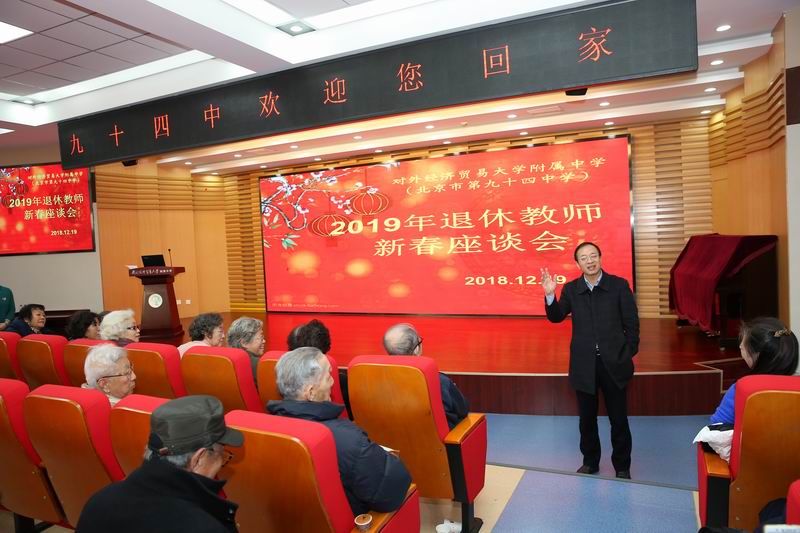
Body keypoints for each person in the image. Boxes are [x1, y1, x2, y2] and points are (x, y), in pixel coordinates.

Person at [268, 347, 411, 516]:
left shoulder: (267, 430)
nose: (333, 381)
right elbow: (393, 492)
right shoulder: (347, 440)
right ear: (311, 392)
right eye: (328, 375)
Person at [542, 241, 639, 479]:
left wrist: (626, 353)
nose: (590, 261)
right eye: (584, 258)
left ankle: (622, 466)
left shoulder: (619, 285)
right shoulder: (571, 289)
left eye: (593, 255)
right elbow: (556, 317)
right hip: (584, 365)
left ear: (600, 258)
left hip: (614, 363)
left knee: (619, 419)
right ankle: (590, 462)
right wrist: (550, 294)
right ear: (578, 264)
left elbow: (632, 324)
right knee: (586, 419)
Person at [75, 395, 243, 533]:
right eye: (222, 455)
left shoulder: (99, 501)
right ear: (199, 459)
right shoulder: (205, 525)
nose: (222, 463)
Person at [710, 317, 799, 425]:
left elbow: (716, 428)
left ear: (758, 353)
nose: (740, 346)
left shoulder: (741, 389)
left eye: (743, 344)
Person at [383, 322, 469, 430]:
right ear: (416, 350)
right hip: (436, 439)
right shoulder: (438, 381)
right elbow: (463, 409)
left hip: (391, 437)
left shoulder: (375, 380)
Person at [226, 316, 264, 383]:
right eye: (261, 337)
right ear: (244, 343)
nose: (264, 341)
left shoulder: (226, 360)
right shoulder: (258, 364)